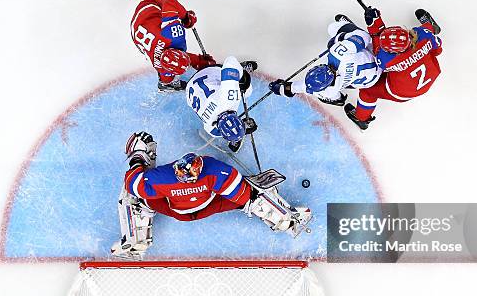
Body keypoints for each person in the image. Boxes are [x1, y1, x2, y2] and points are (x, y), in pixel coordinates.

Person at [111, 132, 311, 258]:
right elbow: (242, 197)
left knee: (134, 199)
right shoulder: (215, 171)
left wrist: (139, 157)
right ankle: (287, 221)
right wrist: (250, 195)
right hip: (209, 206)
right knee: (252, 195)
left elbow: (133, 184)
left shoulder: (163, 177)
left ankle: (135, 243)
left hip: (178, 211)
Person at [343, 7, 443, 130]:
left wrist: (374, 24)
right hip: (430, 74)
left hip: (403, 92)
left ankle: (362, 118)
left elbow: (377, 48)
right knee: (427, 30)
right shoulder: (422, 34)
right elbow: (437, 50)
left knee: (367, 90)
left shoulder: (385, 59)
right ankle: (433, 26)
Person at [268, 18, 382, 107]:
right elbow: (365, 37)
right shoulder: (337, 54)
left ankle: (338, 100)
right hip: (378, 59)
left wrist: (280, 89)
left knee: (335, 92)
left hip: (369, 81)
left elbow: (299, 88)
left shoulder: (326, 91)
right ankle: (345, 27)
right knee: (332, 29)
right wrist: (340, 38)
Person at [130, 0, 216, 92]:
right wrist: (200, 62)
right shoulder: (162, 67)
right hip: (136, 32)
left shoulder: (171, 35)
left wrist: (186, 18)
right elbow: (180, 59)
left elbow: (170, 2)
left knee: (157, 0)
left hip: (146, 15)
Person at [186, 56, 258, 153]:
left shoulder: (229, 98)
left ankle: (238, 71)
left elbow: (230, 61)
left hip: (208, 73)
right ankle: (237, 73)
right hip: (189, 92)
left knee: (247, 91)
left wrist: (241, 77)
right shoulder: (212, 130)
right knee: (245, 90)